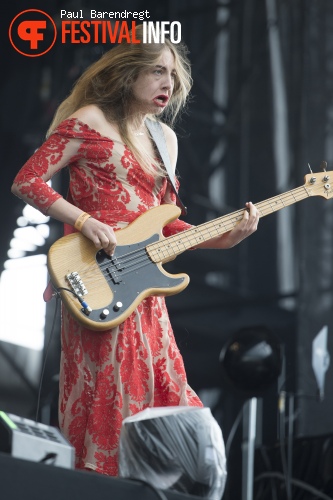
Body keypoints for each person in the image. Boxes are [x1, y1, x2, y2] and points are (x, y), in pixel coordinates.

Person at [11, 25, 259, 476]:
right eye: (157, 72)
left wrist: (227, 236)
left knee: (164, 395)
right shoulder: (88, 121)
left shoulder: (167, 141)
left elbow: (167, 222)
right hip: (97, 279)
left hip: (145, 289)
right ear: (128, 73)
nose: (168, 83)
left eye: (173, 75)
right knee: (111, 394)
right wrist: (85, 221)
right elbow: (26, 181)